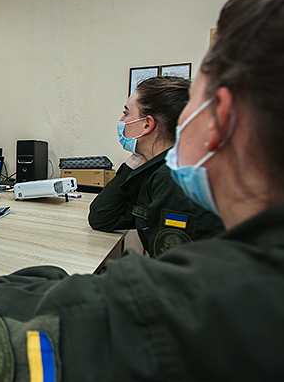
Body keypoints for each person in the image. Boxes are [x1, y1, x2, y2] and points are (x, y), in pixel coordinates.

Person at [0, 0, 284, 382]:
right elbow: (105, 216)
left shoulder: (221, 298)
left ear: (221, 118)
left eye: (195, 103)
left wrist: (89, 287)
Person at [88, 76, 224, 256]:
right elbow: (102, 218)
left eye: (126, 113)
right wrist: (130, 166)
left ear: (147, 124)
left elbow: (173, 266)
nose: (122, 120)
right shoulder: (157, 168)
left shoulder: (174, 179)